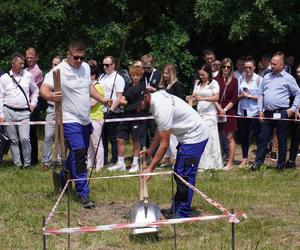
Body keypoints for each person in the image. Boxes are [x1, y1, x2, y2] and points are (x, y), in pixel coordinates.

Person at [40, 41, 111, 208]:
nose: (79, 61)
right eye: (76, 58)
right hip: (68, 118)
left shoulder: (85, 67)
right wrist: (51, 97)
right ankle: (83, 194)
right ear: (68, 54)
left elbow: (89, 88)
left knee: (77, 154)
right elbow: (43, 88)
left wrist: (102, 100)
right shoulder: (59, 70)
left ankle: (62, 179)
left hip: (85, 119)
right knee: (79, 153)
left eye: (81, 58)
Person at [141, 90, 208, 218]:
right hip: (186, 137)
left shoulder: (161, 109)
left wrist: (150, 169)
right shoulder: (156, 98)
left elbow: (164, 144)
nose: (138, 109)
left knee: (185, 176)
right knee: (178, 173)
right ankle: (175, 209)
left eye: (138, 104)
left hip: (195, 136)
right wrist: (150, 150)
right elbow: (161, 129)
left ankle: (182, 214)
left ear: (145, 97)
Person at [250, 52, 300, 171]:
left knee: (282, 139)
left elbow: (298, 93)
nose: (271, 66)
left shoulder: (288, 78)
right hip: (267, 113)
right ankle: (258, 163)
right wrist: (260, 109)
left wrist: (292, 109)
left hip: (282, 112)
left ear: (281, 65)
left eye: (274, 64)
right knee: (263, 138)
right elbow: (260, 93)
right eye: (271, 63)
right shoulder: (266, 77)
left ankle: (280, 165)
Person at [0, 52, 39, 168]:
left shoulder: (28, 75)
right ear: (13, 64)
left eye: (23, 63)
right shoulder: (4, 78)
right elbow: (0, 97)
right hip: (8, 111)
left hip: (24, 113)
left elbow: (36, 90)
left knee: (25, 139)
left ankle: (27, 164)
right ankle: (17, 164)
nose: (23, 65)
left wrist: (33, 103)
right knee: (13, 140)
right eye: (20, 63)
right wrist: (1, 114)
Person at [109, 65, 145, 172]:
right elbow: (123, 97)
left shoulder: (142, 87)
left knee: (135, 140)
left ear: (141, 76)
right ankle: (120, 163)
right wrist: (118, 103)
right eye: (133, 75)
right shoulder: (128, 86)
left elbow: (134, 101)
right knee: (120, 138)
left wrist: (122, 101)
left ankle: (135, 163)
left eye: (137, 75)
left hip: (136, 117)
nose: (135, 77)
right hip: (125, 115)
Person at [187, 64, 223, 170]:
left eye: (203, 75)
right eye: (200, 75)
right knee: (200, 136)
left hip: (210, 114)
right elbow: (194, 96)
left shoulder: (214, 83)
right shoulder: (197, 83)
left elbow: (216, 97)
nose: (201, 77)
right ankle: (202, 163)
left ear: (208, 73)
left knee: (210, 137)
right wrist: (190, 98)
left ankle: (213, 163)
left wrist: (202, 98)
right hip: (199, 114)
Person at [99, 56, 125, 166]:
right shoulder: (102, 77)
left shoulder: (118, 78)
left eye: (107, 65)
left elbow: (119, 97)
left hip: (113, 112)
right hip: (100, 111)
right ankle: (103, 160)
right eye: (103, 64)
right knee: (102, 137)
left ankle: (114, 160)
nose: (105, 67)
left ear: (113, 65)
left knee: (113, 138)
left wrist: (111, 110)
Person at [237, 58, 262, 167]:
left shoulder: (259, 79)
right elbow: (236, 95)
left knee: (258, 136)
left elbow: (262, 97)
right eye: (245, 67)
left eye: (250, 67)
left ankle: (258, 159)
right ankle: (244, 158)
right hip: (242, 111)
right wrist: (241, 96)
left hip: (255, 112)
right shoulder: (240, 78)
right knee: (243, 136)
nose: (247, 69)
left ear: (254, 67)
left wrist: (249, 96)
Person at [215, 58, 238, 170]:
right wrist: (219, 109)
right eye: (224, 66)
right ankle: (217, 161)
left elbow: (234, 99)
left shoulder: (234, 80)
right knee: (216, 137)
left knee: (230, 138)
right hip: (216, 110)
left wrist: (224, 110)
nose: (226, 69)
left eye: (228, 67)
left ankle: (230, 163)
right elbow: (213, 96)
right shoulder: (215, 80)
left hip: (229, 111)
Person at [159, 64, 183, 167]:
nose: (164, 75)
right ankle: (167, 159)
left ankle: (177, 161)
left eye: (167, 73)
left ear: (172, 73)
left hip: (174, 116)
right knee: (165, 138)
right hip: (166, 116)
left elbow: (179, 100)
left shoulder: (177, 84)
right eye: (163, 73)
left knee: (173, 139)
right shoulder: (166, 85)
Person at [41, 56, 63, 169]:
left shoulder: (63, 75)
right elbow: (44, 92)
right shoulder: (49, 75)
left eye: (56, 64)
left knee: (61, 136)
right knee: (48, 135)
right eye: (53, 64)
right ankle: (46, 161)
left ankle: (60, 160)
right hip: (51, 109)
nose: (53, 66)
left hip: (63, 109)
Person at [25, 47, 44, 165]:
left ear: (36, 57)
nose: (29, 59)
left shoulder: (37, 72)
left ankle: (33, 159)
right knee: (26, 133)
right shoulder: (26, 69)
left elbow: (31, 90)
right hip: (25, 105)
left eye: (32, 57)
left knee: (31, 133)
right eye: (27, 57)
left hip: (33, 105)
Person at [139, 54, 161, 150]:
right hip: (144, 105)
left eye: (148, 67)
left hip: (155, 105)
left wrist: (154, 89)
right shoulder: (142, 74)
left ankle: (155, 152)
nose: (146, 70)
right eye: (144, 68)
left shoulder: (158, 74)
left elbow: (163, 91)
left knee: (153, 130)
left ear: (153, 64)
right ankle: (145, 152)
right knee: (143, 131)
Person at [87, 64, 105, 171]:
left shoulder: (97, 86)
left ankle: (99, 166)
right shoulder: (89, 87)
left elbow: (93, 102)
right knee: (89, 145)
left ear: (93, 75)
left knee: (97, 144)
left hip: (96, 118)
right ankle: (89, 165)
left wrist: (80, 105)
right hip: (89, 118)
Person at [286, 63, 300, 168]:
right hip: (293, 111)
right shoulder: (294, 81)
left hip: (297, 111)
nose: (298, 74)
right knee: (295, 136)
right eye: (297, 72)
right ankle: (291, 160)